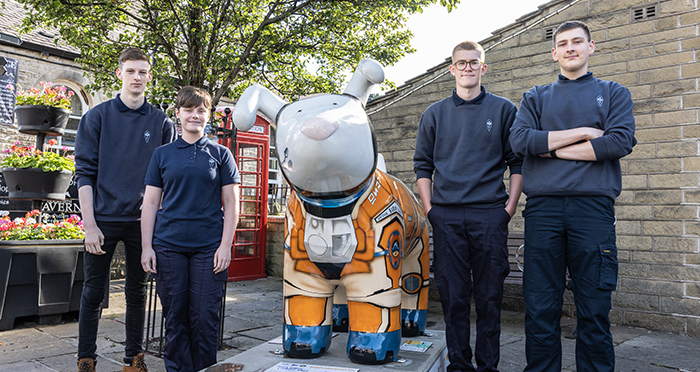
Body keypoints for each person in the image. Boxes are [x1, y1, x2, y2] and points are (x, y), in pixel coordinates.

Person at [509, 21, 636, 372]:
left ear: (590, 47)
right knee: (539, 307)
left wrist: (548, 148)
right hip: (543, 210)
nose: (570, 48)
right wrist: (582, 133)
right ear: (554, 53)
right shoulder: (535, 97)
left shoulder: (614, 93)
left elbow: (618, 142)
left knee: (593, 308)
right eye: (562, 43)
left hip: (592, 209)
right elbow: (520, 142)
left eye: (577, 42)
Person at [414, 40, 523, 372]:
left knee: (490, 299)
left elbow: (517, 163)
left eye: (473, 62)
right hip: (446, 216)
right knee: (454, 297)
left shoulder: (504, 110)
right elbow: (422, 167)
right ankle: (459, 365)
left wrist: (509, 209)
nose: (467, 68)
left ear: (483, 67)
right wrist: (431, 210)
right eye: (461, 63)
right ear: (452, 69)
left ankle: (488, 366)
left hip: (490, 215)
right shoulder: (434, 114)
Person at [75, 47, 176, 372]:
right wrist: (89, 224)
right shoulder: (97, 117)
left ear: (149, 76)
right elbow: (84, 174)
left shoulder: (161, 122)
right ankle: (85, 359)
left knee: (137, 294)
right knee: (92, 294)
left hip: (142, 223)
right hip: (103, 220)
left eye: (142, 72)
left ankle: (133, 359)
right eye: (131, 71)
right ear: (119, 73)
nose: (137, 77)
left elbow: (166, 179)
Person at [141, 86, 240, 372]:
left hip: (209, 248)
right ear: (178, 114)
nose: (194, 115)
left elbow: (232, 204)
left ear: (208, 115)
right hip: (168, 246)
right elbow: (149, 204)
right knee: (175, 316)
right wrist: (147, 246)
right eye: (189, 110)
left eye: (201, 110)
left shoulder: (221, 154)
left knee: (205, 317)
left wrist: (225, 246)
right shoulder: (162, 155)